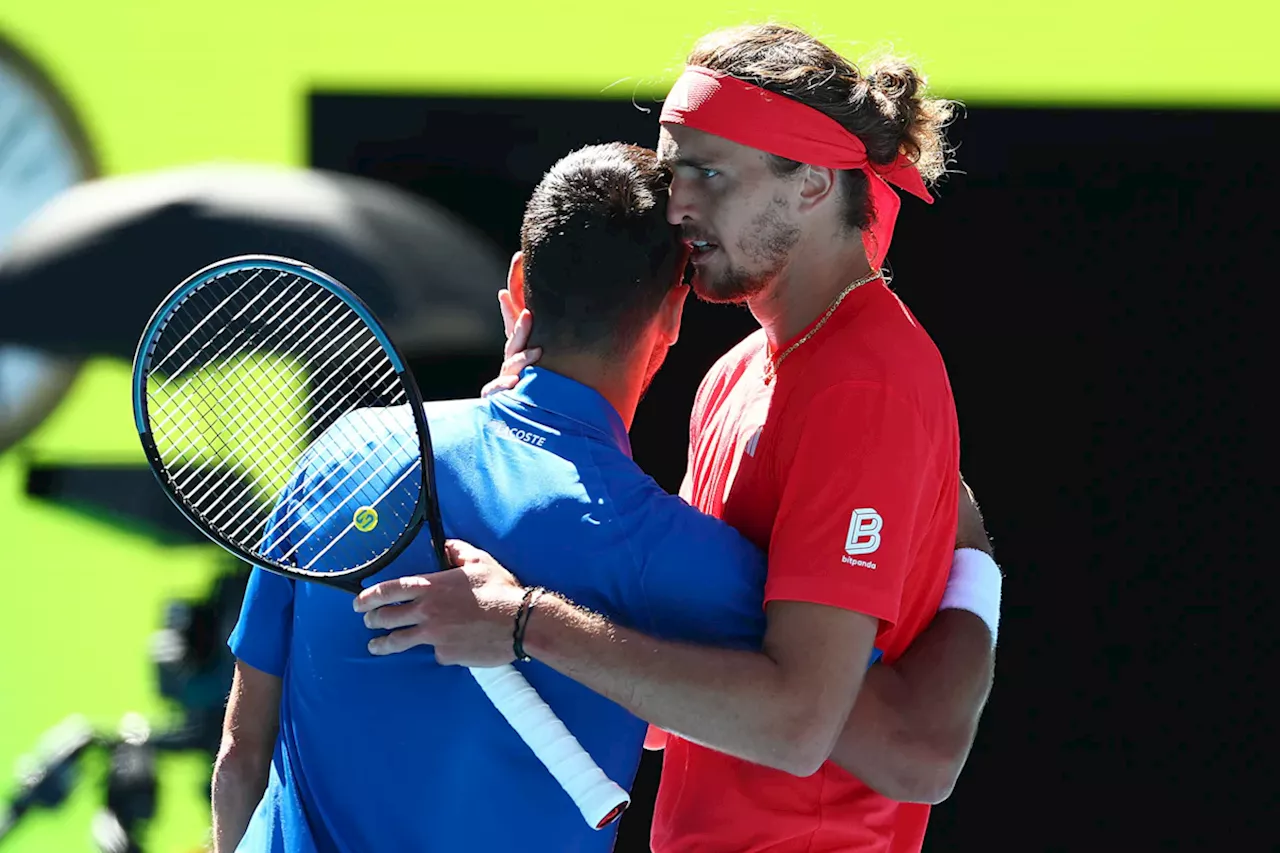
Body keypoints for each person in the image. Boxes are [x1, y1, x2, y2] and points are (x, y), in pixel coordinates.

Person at [212, 142, 974, 853]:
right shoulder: (676, 560)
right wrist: (976, 561)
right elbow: (917, 753)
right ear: (672, 320)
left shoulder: (340, 452)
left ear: (518, 284)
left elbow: (241, 761)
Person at [354, 22, 1001, 853]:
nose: (676, 204)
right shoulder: (733, 375)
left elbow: (798, 724)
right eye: (672, 171)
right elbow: (682, 686)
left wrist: (525, 622)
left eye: (708, 174)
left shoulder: (868, 380)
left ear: (809, 183)